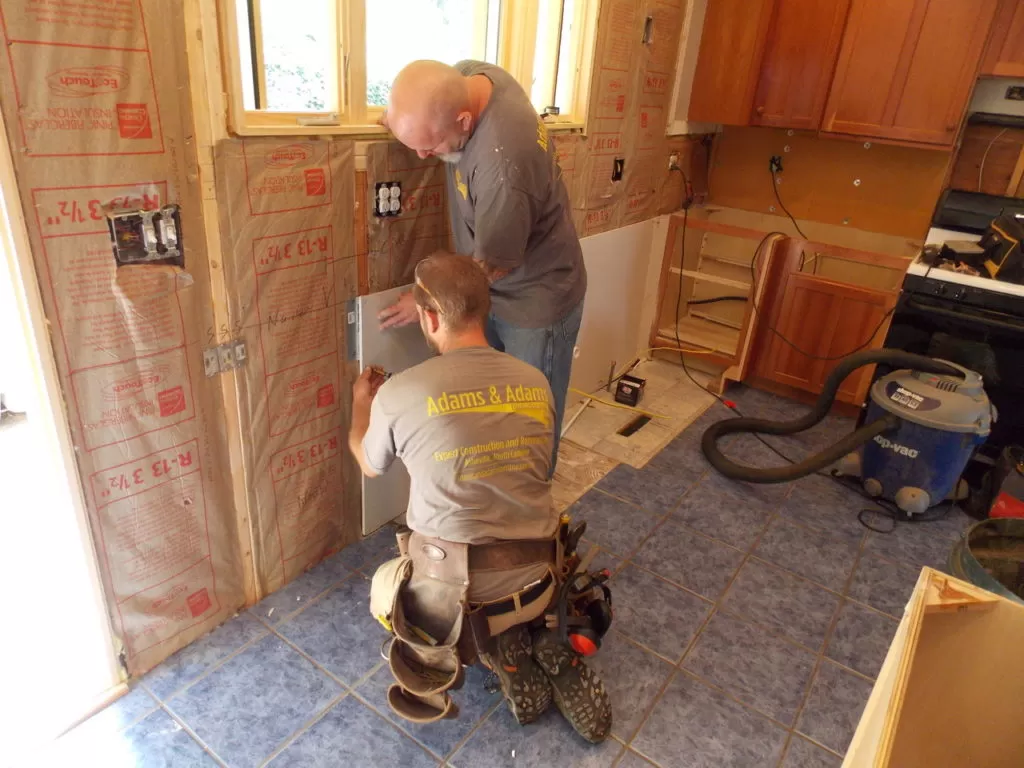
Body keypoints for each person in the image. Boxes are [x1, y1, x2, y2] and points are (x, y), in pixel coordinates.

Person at [350, 253, 610, 742]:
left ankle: (492, 647)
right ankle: (530, 634)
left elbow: (368, 462)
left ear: (429, 318)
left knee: (384, 588)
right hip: (537, 576)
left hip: (454, 596)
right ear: (484, 310)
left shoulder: (400, 394)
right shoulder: (535, 382)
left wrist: (362, 405)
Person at [377, 59, 587, 474]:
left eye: (431, 146)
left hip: (535, 300)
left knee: (530, 421)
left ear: (464, 120)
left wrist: (425, 300)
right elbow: (426, 105)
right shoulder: (471, 78)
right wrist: (404, 122)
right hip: (489, 290)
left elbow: (489, 268)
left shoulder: (504, 169)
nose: (422, 155)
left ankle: (531, 502)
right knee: (490, 409)